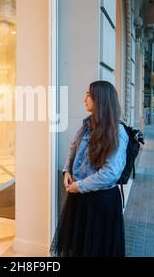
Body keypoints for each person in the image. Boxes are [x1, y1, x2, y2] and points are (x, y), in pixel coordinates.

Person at [50, 81, 128, 257]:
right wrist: (67, 172)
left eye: (88, 94)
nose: (85, 98)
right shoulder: (87, 125)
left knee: (95, 250)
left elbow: (110, 173)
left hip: (100, 202)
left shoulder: (117, 131)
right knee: (77, 248)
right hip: (80, 198)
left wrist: (80, 186)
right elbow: (73, 148)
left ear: (100, 99)